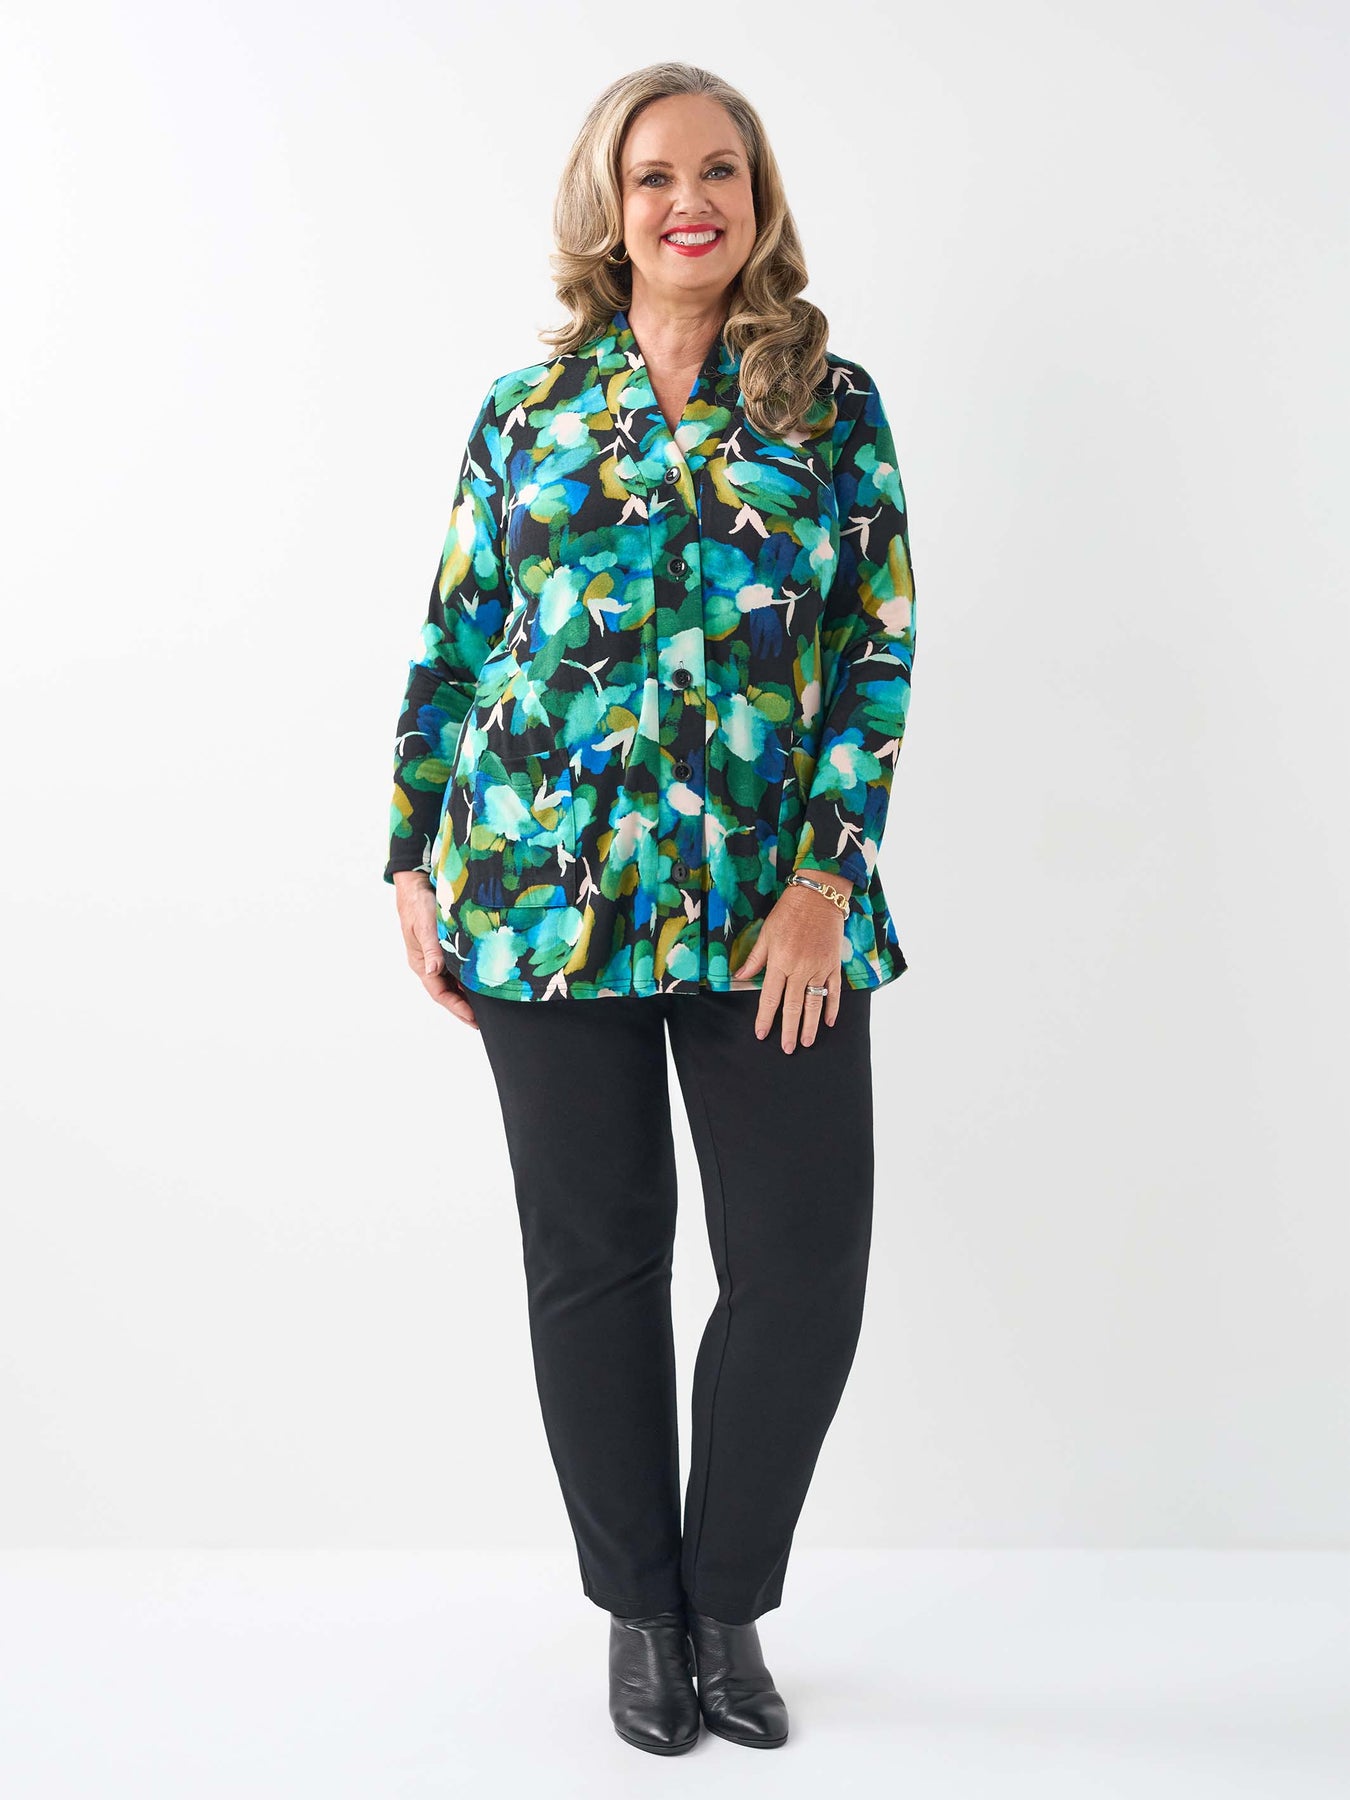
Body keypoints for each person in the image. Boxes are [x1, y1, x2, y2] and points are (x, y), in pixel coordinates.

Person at [384, 61, 916, 1756]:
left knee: (801, 1262)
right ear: (606, 211)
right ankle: (641, 1614)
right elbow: (456, 641)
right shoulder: (528, 410)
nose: (691, 201)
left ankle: (726, 1599)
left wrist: (825, 881)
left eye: (720, 171)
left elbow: (876, 655)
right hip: (544, 898)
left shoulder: (829, 408)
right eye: (654, 176)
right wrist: (409, 857)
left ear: (757, 199)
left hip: (773, 915)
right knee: (596, 1260)